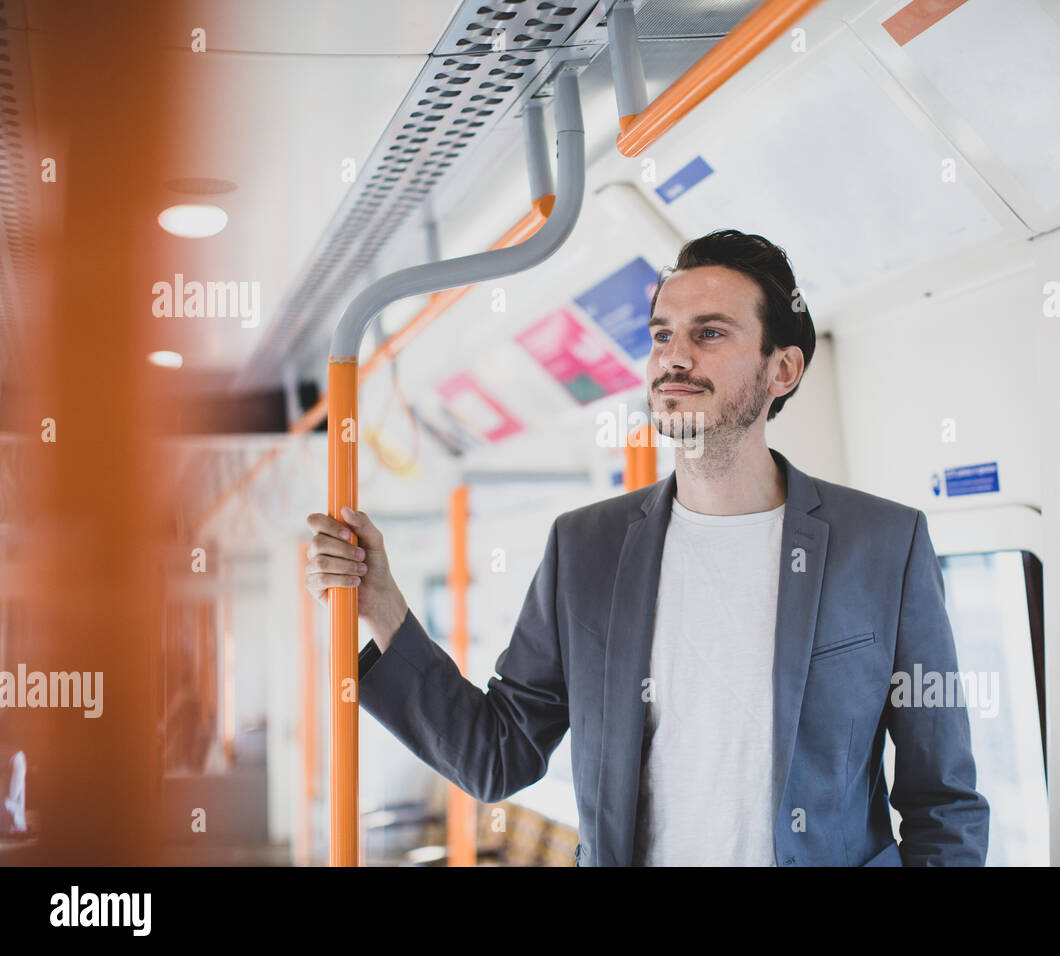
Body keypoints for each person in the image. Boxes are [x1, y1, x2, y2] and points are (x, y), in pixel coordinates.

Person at [306, 229, 990, 866]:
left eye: (710, 333)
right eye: (662, 335)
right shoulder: (586, 548)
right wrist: (385, 610)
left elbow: (943, 803)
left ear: (781, 370)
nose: (674, 358)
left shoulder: (882, 545)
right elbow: (499, 752)